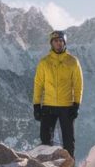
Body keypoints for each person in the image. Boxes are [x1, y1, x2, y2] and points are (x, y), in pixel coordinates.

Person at [32, 30, 83, 158]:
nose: (58, 43)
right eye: (55, 41)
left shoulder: (73, 61)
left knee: (68, 141)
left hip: (67, 106)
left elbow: (78, 85)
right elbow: (39, 84)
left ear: (64, 43)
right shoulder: (44, 62)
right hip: (48, 106)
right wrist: (36, 105)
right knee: (45, 139)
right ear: (51, 43)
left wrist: (76, 104)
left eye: (61, 41)